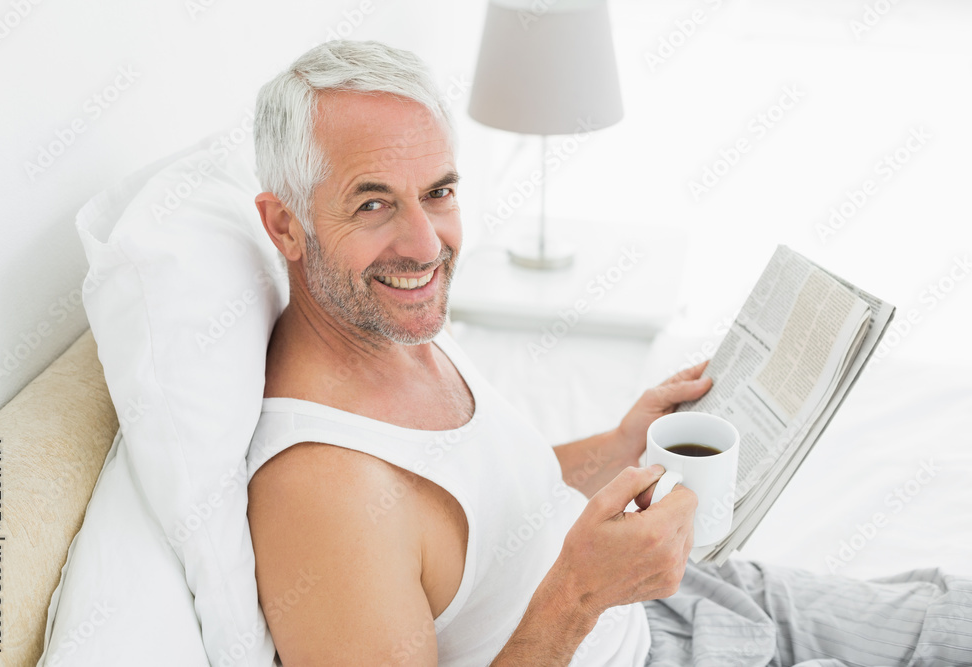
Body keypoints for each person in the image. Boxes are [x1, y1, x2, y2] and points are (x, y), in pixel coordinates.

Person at [245, 40, 972, 666]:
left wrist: (621, 444)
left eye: (437, 192)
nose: (426, 244)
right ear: (284, 223)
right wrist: (579, 592)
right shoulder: (321, 497)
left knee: (946, 616)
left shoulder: (383, 321)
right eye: (372, 203)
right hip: (620, 623)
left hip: (670, 605)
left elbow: (470, 507)